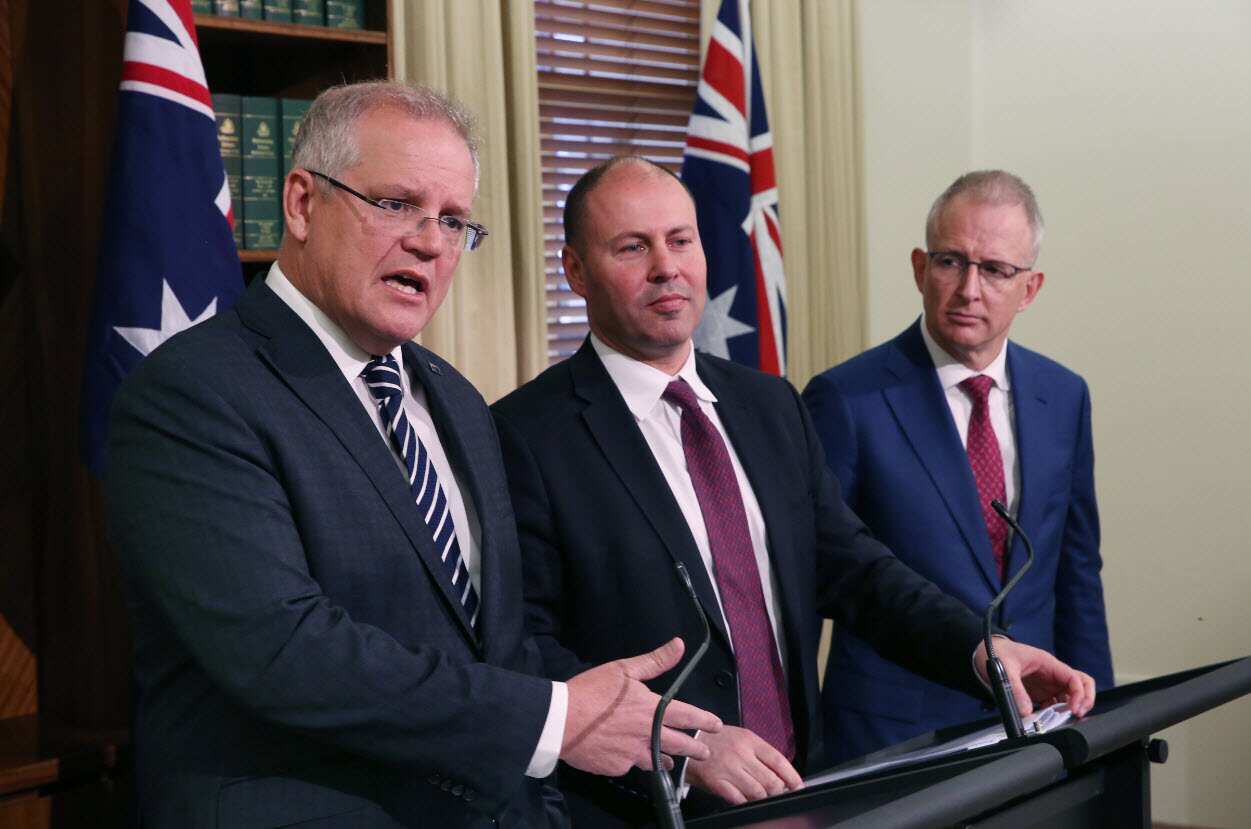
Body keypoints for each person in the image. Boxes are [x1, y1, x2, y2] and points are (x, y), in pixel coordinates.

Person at [106, 83, 721, 829]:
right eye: (397, 204)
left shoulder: (457, 400)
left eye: (454, 220)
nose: (430, 241)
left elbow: (492, 645)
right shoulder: (194, 392)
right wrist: (557, 717)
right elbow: (286, 652)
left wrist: (620, 722)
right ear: (301, 203)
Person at [491, 157, 1096, 826]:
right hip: (643, 807)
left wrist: (980, 650)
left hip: (803, 788)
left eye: (680, 240)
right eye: (632, 247)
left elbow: (855, 569)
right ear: (575, 271)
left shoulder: (768, 404)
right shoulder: (523, 433)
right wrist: (685, 746)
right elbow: (525, 648)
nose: (666, 266)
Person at [803, 170, 1114, 765]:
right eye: (952, 262)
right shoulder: (847, 399)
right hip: (892, 735)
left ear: (1030, 287)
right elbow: (821, 573)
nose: (970, 289)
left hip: (1034, 719)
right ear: (921, 268)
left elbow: (1076, 569)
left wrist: (1100, 721)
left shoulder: (1063, 394)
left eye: (996, 269)